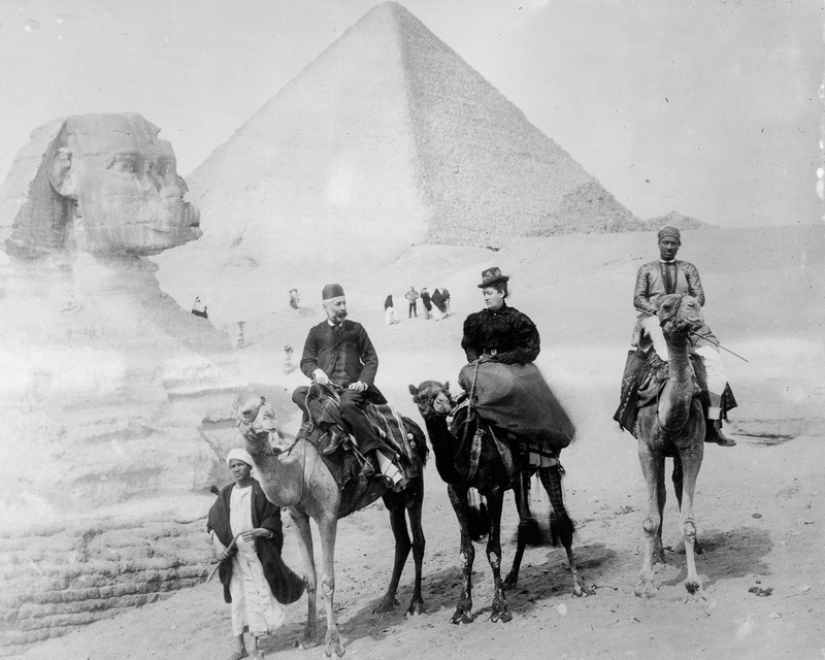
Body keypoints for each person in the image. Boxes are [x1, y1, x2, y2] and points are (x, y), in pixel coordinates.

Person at [632, 225, 735, 446]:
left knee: (714, 362)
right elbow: (638, 298)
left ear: (678, 245)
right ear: (659, 244)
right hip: (656, 321)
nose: (669, 246)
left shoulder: (688, 268)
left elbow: (699, 296)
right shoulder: (646, 269)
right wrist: (662, 308)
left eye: (673, 243)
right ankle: (633, 418)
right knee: (649, 363)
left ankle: (714, 424)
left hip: (688, 324)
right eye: (665, 242)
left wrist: (683, 307)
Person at [291, 284, 402, 487]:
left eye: (344, 303)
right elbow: (306, 361)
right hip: (325, 390)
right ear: (326, 306)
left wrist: (363, 382)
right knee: (298, 393)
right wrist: (316, 371)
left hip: (352, 389)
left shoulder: (356, 329)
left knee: (348, 405)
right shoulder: (315, 332)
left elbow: (371, 359)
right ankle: (335, 430)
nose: (343, 307)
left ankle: (374, 455)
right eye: (338, 304)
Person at [460, 267, 574, 455]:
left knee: (513, 387)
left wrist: (503, 358)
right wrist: (475, 360)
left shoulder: (517, 319)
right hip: (484, 367)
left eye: (489, 293)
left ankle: (522, 436)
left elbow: (530, 349)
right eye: (484, 294)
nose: (486, 298)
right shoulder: (476, 320)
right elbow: (469, 344)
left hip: (512, 365)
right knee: (465, 376)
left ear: (502, 293)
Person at [207, 448, 303, 660]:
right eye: (232, 466)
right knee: (238, 599)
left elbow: (273, 520)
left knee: (256, 598)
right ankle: (239, 647)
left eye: (239, 464)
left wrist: (263, 530)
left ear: (249, 466)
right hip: (235, 559)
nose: (236, 469)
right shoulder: (226, 493)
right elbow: (212, 523)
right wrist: (217, 544)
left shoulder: (261, 491)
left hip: (256, 556)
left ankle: (253, 647)